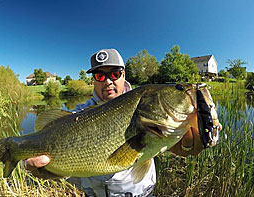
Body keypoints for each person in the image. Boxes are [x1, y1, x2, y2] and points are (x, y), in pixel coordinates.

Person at [25, 49, 211, 196]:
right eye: (100, 75)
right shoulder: (77, 114)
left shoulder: (146, 104)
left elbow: (181, 143)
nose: (108, 81)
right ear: (93, 80)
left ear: (124, 75)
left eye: (114, 74)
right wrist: (47, 170)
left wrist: (189, 145)